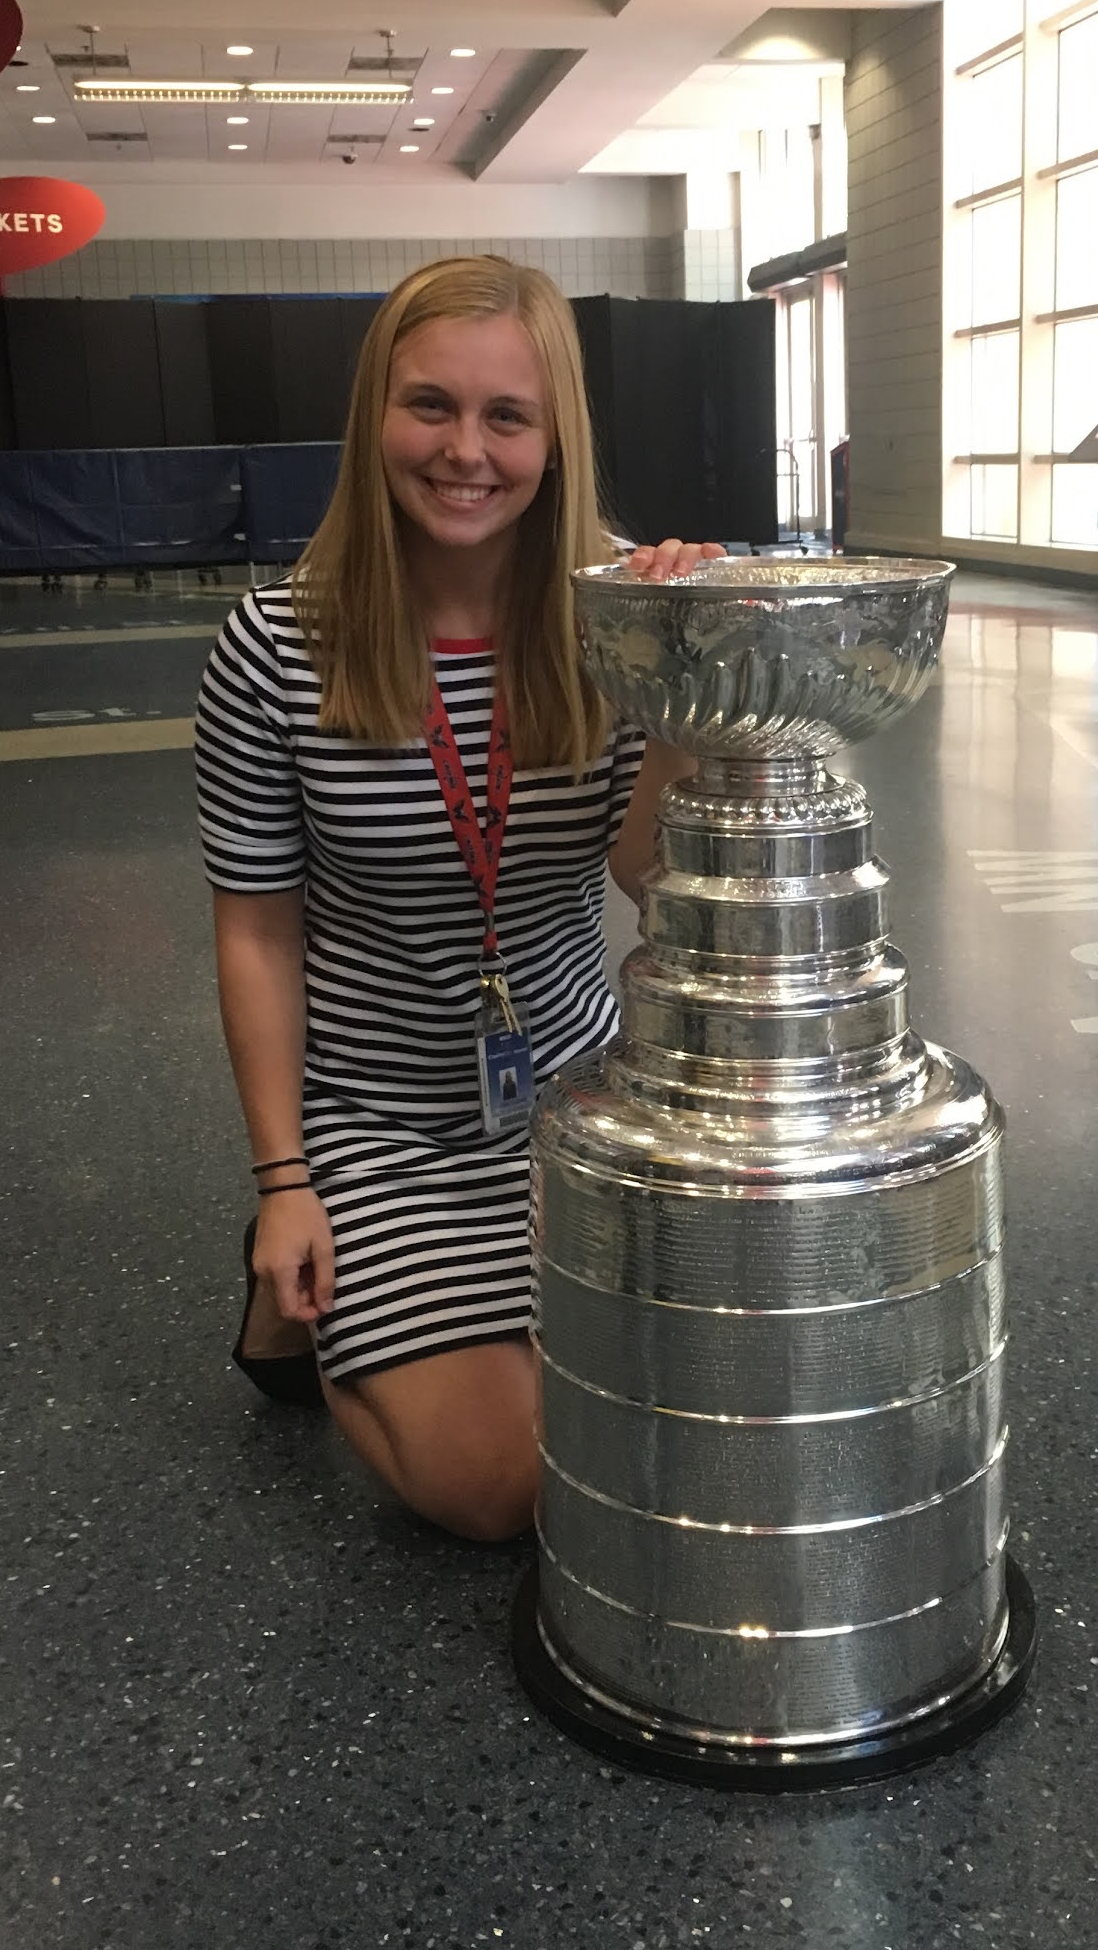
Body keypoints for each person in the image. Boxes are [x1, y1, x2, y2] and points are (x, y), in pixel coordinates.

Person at [194, 254, 720, 1542]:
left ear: (556, 438)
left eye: (507, 417)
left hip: (585, 1101)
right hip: (381, 1120)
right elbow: (258, 931)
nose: (465, 452)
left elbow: (645, 879)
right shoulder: (278, 644)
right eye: (430, 406)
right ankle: (313, 1306)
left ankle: (370, 1313)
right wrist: (284, 1180)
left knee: (703, 1419)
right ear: (376, 413)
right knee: (502, 1488)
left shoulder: (615, 619)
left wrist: (686, 687)